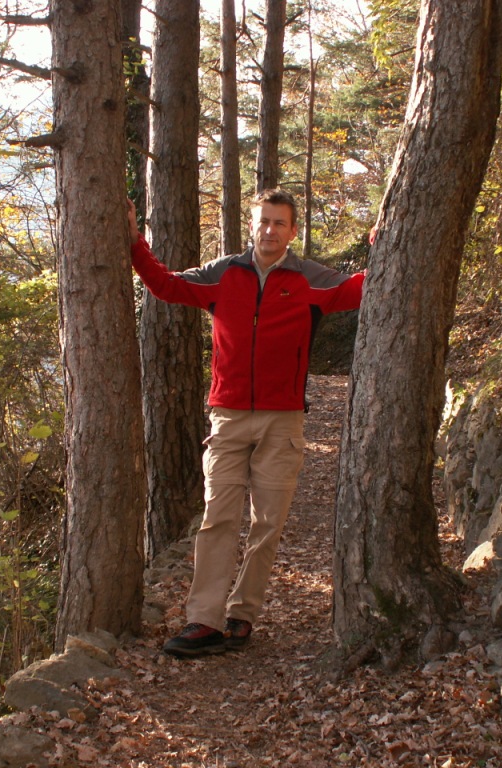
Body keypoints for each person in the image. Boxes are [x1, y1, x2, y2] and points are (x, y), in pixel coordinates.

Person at [127, 188, 366, 657]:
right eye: (263, 221)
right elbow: (166, 285)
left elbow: (365, 287)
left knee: (267, 524)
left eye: (279, 223)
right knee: (217, 518)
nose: (269, 230)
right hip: (228, 418)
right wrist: (135, 241)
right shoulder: (224, 273)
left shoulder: (311, 280)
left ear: (292, 231)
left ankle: (243, 614)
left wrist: (384, 239)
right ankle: (203, 621)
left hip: (283, 421)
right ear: (252, 225)